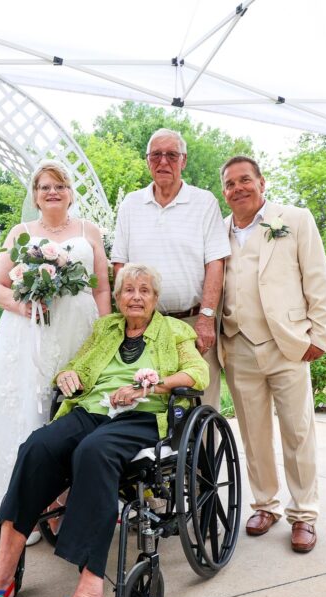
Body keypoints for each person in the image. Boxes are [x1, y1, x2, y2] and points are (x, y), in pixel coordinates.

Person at [0, 264, 208, 597]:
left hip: (141, 416)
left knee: (93, 452)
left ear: (155, 299)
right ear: (117, 298)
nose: (135, 296)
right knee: (37, 447)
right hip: (91, 409)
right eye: (128, 290)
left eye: (144, 291)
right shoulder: (105, 329)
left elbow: (197, 373)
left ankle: (89, 593)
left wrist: (153, 385)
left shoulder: (175, 331)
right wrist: (69, 377)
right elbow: (79, 367)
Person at [0, 160, 112, 541]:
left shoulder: (91, 232)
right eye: (44, 187)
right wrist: (25, 306)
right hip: (30, 336)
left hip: (80, 331)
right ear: (35, 196)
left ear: (70, 193)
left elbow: (102, 287)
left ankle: (67, 505)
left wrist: (104, 334)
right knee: (32, 413)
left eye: (60, 186)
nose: (52, 192)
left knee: (73, 413)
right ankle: (26, 512)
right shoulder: (21, 233)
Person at [216, 155, 326, 553]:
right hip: (238, 345)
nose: (238, 188)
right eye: (230, 184)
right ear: (225, 192)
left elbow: (317, 277)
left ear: (261, 183)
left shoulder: (294, 219)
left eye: (245, 180)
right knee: (253, 434)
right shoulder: (218, 232)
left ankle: (304, 514)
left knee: (298, 431)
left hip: (288, 343)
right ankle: (265, 504)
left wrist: (320, 332)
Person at [110, 128, 229, 409]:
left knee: (200, 402)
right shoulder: (131, 204)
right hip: (145, 325)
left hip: (192, 323)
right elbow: (120, 264)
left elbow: (216, 263)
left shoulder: (204, 202)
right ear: (147, 160)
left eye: (172, 155)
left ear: (184, 161)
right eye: (156, 155)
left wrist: (207, 318)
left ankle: (205, 455)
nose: (164, 162)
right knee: (148, 402)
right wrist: (130, 317)